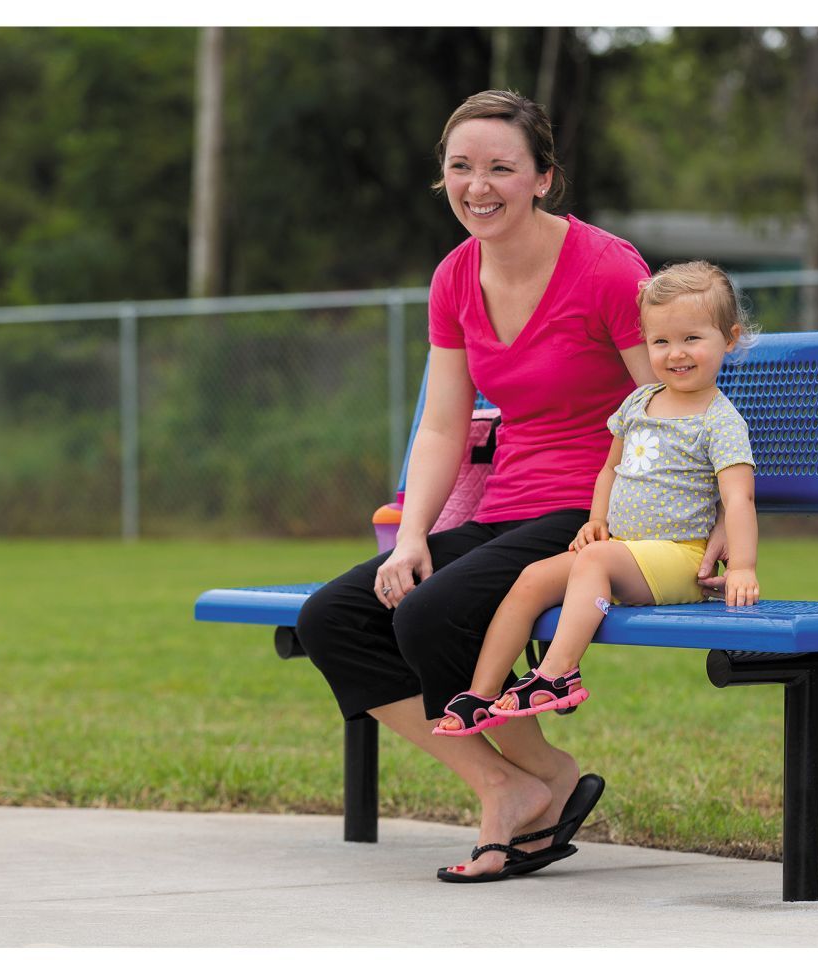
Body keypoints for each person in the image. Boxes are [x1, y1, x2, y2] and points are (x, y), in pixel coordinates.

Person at [298, 90, 710, 884]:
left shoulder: (606, 267)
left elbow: (666, 406)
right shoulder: (454, 276)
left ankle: (530, 791)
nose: (477, 185)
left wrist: (699, 522)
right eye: (460, 167)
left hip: (595, 512)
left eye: (500, 168)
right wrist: (413, 535)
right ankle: (511, 782)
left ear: (543, 178)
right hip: (506, 509)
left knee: (430, 617)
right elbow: (446, 426)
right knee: (336, 617)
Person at [434, 260, 758, 737]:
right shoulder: (638, 402)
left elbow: (739, 500)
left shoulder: (719, 420)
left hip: (680, 560)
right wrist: (595, 519)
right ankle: (480, 696)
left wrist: (744, 567)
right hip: (623, 551)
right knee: (531, 578)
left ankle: (559, 673)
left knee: (594, 564)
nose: (675, 354)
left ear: (728, 339)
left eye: (692, 338)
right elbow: (610, 469)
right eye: (660, 341)